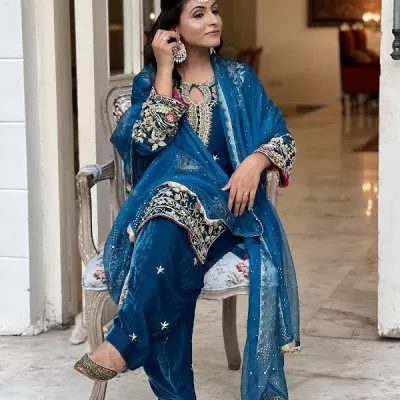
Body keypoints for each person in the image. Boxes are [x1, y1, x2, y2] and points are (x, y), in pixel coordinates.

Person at [74, 0, 300, 398]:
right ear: (173, 28)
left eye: (214, 10)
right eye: (199, 13)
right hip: (164, 211)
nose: (213, 20)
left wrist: (254, 161)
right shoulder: (151, 82)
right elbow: (148, 144)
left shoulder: (239, 79)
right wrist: (164, 69)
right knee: (165, 229)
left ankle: (124, 342)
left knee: (168, 210)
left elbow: (281, 137)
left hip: (228, 209)